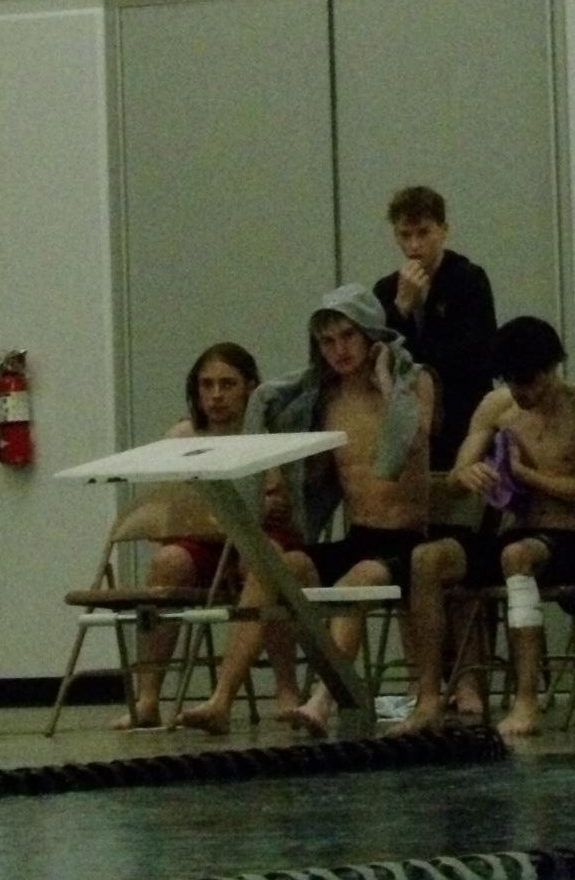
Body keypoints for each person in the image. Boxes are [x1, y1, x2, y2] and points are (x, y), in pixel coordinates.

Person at [177, 286, 433, 736]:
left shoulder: (414, 382)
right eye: (327, 342)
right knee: (270, 564)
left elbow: (409, 435)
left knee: (357, 581)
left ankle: (321, 699)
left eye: (348, 337)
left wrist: (387, 376)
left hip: (406, 542)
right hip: (358, 537)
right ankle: (221, 698)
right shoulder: (323, 399)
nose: (339, 351)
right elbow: (297, 457)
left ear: (371, 334)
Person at [391, 315, 575, 742]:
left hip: (569, 539)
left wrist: (523, 474)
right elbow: (458, 476)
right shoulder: (497, 406)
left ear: (554, 369)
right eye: (516, 384)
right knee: (426, 559)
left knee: (517, 557)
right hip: (511, 538)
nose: (525, 395)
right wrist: (468, 475)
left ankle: (526, 700)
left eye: (532, 383)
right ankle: (427, 699)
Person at [115, 342, 300, 728]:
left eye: (227, 385)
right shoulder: (182, 437)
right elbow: (167, 506)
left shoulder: (267, 434)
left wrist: (234, 515)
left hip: (258, 539)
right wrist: (218, 517)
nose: (216, 396)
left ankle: (286, 688)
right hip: (204, 541)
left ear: (250, 387)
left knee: (262, 561)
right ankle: (147, 698)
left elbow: (279, 504)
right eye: (207, 385)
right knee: (167, 562)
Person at [373, 185, 498, 471]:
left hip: (463, 417)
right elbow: (384, 362)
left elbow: (476, 355)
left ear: (443, 230)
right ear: (395, 236)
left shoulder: (469, 280)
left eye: (423, 233)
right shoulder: (386, 290)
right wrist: (401, 309)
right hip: (409, 424)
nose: (414, 245)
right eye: (405, 235)